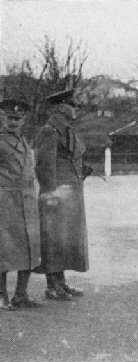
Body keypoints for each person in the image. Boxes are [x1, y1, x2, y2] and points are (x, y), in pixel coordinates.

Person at [35, 84, 90, 301]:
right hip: (56, 195)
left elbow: (70, 158)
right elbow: (43, 165)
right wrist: (50, 194)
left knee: (65, 239)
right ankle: (51, 286)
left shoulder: (67, 131)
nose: (75, 108)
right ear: (59, 107)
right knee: (54, 240)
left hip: (71, 195)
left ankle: (62, 283)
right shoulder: (49, 131)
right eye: (71, 105)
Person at [0, 77, 43, 310]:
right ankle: (1, 296)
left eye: (19, 118)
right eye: (9, 117)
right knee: (4, 250)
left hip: (27, 201)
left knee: (29, 248)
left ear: (24, 121)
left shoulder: (24, 142)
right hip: (5, 201)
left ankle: (21, 294)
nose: (14, 121)